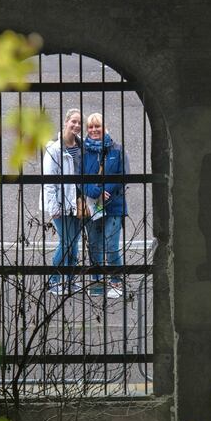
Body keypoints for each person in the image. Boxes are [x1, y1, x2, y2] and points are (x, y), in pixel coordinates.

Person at [82, 113, 128, 299]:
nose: (94, 130)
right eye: (90, 127)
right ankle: (97, 282)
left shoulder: (117, 149)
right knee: (94, 245)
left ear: (104, 127)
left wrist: (106, 191)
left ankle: (116, 281)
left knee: (111, 244)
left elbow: (123, 175)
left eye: (97, 126)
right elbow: (78, 178)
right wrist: (95, 192)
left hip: (114, 205)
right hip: (92, 206)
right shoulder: (83, 151)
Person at [40, 109, 84, 295]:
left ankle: (70, 280)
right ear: (66, 122)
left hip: (78, 203)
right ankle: (54, 280)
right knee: (66, 242)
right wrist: (53, 207)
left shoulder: (83, 147)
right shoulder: (55, 149)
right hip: (60, 203)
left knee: (74, 243)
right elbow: (49, 181)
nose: (76, 125)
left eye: (79, 123)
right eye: (73, 121)